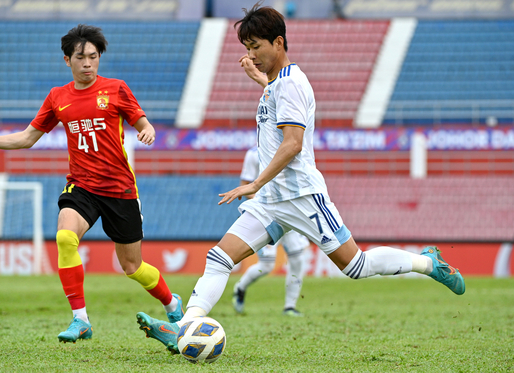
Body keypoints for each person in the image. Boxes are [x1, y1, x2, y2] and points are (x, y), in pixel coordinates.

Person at [135, 3, 465, 354]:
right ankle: (184, 327)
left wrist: (255, 183)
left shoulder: (291, 84)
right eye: (246, 48)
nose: (251, 54)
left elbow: (292, 144)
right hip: (272, 202)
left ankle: (430, 263)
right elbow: (278, 102)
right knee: (219, 257)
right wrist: (261, 82)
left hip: (301, 196)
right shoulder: (277, 84)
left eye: (257, 46)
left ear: (279, 42)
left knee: (356, 266)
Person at [0, 24, 184, 344]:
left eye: (93, 56)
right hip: (82, 186)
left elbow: (141, 121)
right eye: (81, 57)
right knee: (65, 236)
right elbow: (26, 138)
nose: (88, 63)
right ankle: (81, 320)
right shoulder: (57, 97)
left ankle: (172, 304)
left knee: (132, 266)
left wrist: (147, 130)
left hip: (120, 190)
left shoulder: (116, 89)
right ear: (67, 61)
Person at [233, 145, 309, 317]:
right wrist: (266, 202)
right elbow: (245, 185)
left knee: (297, 260)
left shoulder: (295, 147)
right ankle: (240, 287)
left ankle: (289, 306)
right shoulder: (254, 154)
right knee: (267, 265)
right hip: (268, 215)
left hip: (291, 212)